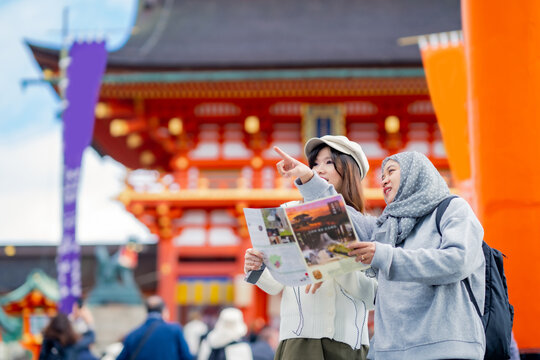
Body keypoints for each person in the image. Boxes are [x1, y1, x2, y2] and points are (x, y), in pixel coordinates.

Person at [244, 135, 377, 360]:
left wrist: (332, 265)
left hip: (349, 345)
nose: (319, 170)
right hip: (298, 342)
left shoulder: (369, 225)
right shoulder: (288, 211)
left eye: (329, 162)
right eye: (315, 164)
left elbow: (373, 296)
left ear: (351, 171)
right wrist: (258, 266)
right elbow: (277, 283)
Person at [347, 151, 486, 359]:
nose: (383, 179)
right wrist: (310, 180)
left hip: (444, 350)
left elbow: (458, 260)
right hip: (391, 352)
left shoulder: (452, 209)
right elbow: (345, 218)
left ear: (416, 173)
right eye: (382, 175)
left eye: (391, 171)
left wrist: (388, 257)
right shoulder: (386, 228)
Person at [116, 295, 192, 360]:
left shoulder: (132, 335)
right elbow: (186, 357)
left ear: (147, 311)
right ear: (164, 310)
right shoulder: (174, 330)